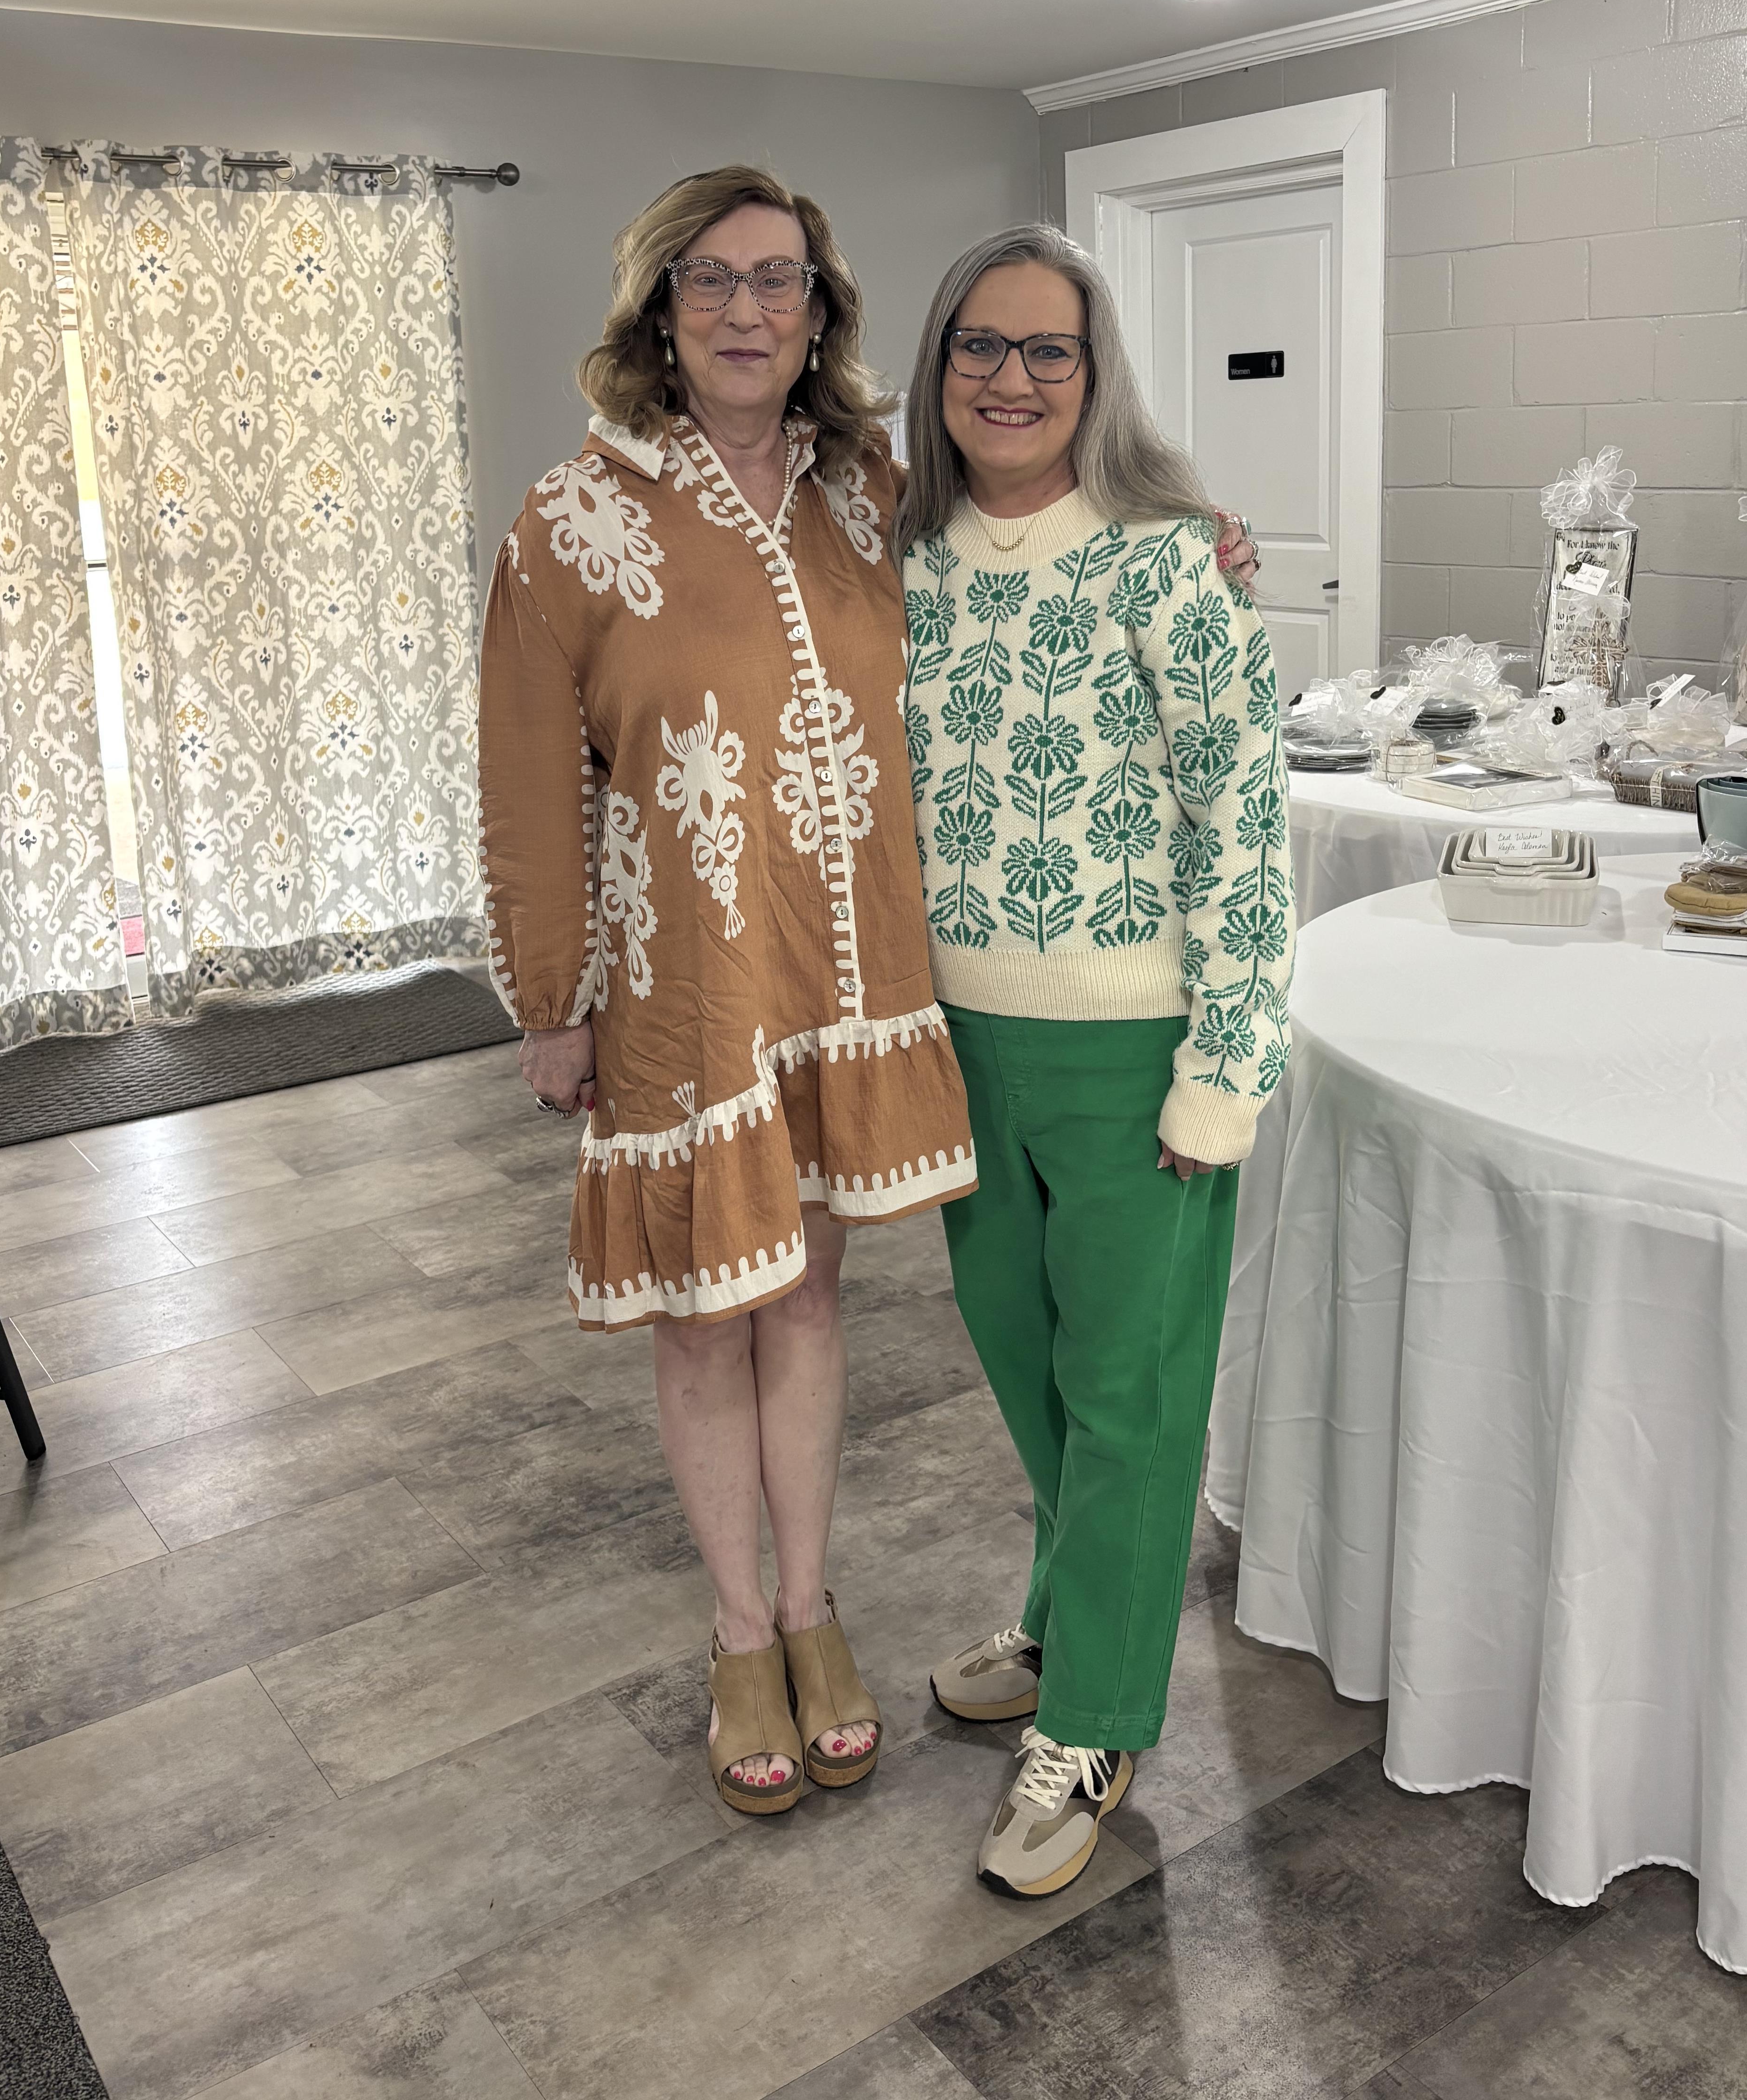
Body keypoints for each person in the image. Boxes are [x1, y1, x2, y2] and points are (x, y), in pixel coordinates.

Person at [477, 164, 978, 1816]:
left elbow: (1040, 552)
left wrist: (1197, 538)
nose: (747, 310)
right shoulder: (571, 518)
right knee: (706, 1315)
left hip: (843, 971)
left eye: (779, 281)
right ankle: (735, 1633)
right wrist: (550, 999)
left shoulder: (875, 492)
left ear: (820, 312)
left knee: (812, 1298)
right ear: (660, 313)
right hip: (681, 982)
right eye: (710, 280)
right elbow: (526, 781)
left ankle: (811, 1607)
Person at [897, 223, 1296, 1899]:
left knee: (1128, 1400)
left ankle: (1098, 1716)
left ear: (1092, 370)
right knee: (1028, 1370)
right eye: (978, 346)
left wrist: (1227, 1065)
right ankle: (1072, 1609)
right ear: (938, 367)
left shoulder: (1167, 563)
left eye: (1046, 349)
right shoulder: (894, 559)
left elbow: (1242, 825)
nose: (1010, 377)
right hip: (954, 1047)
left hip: (1134, 1049)